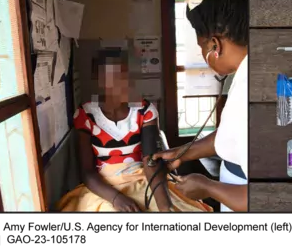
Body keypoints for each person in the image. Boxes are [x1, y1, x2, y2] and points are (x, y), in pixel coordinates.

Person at [56, 49, 212, 212]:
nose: (124, 83)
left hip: (143, 179)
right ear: (101, 80)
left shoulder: (145, 111)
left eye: (127, 76)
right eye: (116, 78)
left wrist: (165, 206)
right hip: (104, 187)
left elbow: (150, 162)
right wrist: (117, 199)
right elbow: (87, 172)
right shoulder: (86, 115)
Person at [151, 0, 248, 212]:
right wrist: (182, 153)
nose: (203, 55)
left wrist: (208, 187)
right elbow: (230, 137)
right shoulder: (245, 74)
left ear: (215, 45)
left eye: (201, 47)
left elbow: (268, 195)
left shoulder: (253, 91)